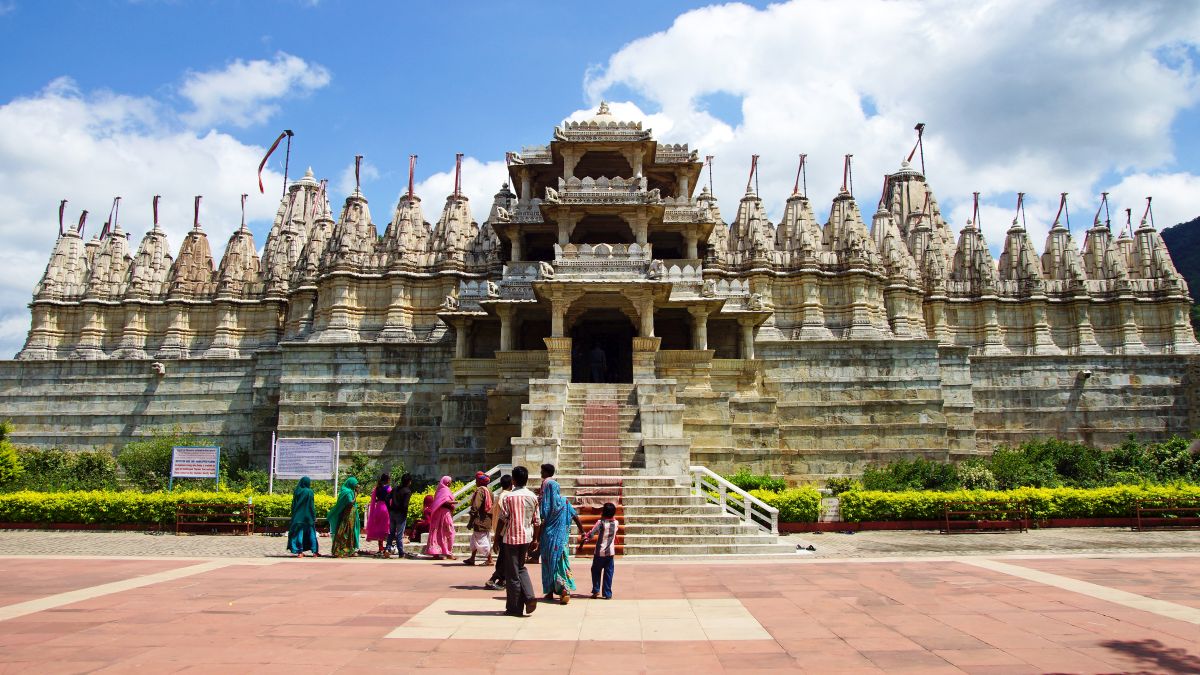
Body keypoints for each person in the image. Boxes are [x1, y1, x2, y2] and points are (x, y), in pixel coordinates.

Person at [498, 465, 539, 617]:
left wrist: (496, 539)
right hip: (527, 537)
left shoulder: (508, 497)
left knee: (512, 573)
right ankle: (529, 596)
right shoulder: (533, 497)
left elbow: (503, 519)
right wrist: (535, 539)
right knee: (520, 568)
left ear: (513, 480)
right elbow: (537, 521)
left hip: (511, 537)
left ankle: (514, 607)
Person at [539, 476, 584, 604]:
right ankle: (564, 588)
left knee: (548, 564)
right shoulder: (565, 502)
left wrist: (536, 539)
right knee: (562, 563)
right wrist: (583, 531)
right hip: (562, 540)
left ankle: (549, 591)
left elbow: (541, 521)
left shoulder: (545, 505)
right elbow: (575, 516)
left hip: (548, 539)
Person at [583, 502, 619, 599]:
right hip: (610, 553)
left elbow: (592, 533)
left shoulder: (601, 523)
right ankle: (607, 593)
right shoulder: (616, 523)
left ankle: (596, 590)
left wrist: (586, 538)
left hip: (599, 552)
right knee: (609, 573)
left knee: (595, 571)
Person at [484, 474, 513, 590]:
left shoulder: (500, 496)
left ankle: (502, 580)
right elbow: (503, 518)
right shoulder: (507, 497)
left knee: (505, 556)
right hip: (504, 532)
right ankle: (494, 579)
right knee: (504, 557)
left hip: (499, 531)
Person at [464, 471, 494, 566]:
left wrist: (470, 521)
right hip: (487, 519)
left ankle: (489, 559)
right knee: (475, 539)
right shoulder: (489, 491)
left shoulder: (480, 491)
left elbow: (475, 506)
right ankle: (472, 558)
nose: (475, 482)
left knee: (481, 540)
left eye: (476, 480)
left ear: (479, 481)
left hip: (480, 520)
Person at [423, 476, 457, 559]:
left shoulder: (439, 490)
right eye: (449, 482)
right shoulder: (445, 490)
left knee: (438, 532)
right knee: (449, 531)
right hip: (444, 513)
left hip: (439, 514)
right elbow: (445, 501)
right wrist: (454, 502)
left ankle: (438, 553)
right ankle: (448, 553)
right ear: (447, 482)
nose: (450, 483)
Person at [327, 476, 361, 558]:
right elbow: (350, 502)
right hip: (347, 516)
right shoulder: (347, 492)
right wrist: (356, 495)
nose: (356, 486)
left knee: (351, 533)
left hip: (351, 515)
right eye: (355, 484)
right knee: (345, 533)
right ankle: (340, 551)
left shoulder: (348, 491)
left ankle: (350, 550)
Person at [286, 476, 319, 557]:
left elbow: (293, 504)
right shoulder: (309, 492)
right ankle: (315, 552)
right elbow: (311, 506)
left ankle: (299, 552)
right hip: (308, 517)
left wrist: (293, 515)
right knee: (312, 533)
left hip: (298, 516)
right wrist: (314, 516)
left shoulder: (297, 491)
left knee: (299, 534)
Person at [365, 473, 392, 557]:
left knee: (380, 528)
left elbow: (373, 501)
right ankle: (387, 548)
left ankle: (380, 548)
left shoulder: (377, 488)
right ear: (387, 480)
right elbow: (391, 500)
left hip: (378, 508)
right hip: (386, 509)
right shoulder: (389, 488)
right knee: (386, 528)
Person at [387, 474, 414, 557]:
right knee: (399, 534)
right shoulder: (407, 491)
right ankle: (401, 552)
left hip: (392, 513)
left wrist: (389, 508)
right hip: (401, 514)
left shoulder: (395, 489)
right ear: (409, 482)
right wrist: (404, 514)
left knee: (391, 532)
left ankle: (388, 549)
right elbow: (405, 505)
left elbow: (387, 498)